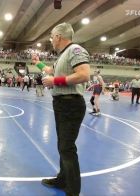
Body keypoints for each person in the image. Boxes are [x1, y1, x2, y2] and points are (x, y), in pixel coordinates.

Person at [35, 23, 90, 196]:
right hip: (62, 104)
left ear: (59, 36)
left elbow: (83, 74)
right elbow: (51, 71)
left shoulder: (75, 50)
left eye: (52, 36)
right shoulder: (62, 55)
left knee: (67, 147)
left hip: (71, 104)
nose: (51, 40)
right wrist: (39, 64)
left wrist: (55, 81)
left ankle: (73, 191)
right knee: (62, 145)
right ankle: (63, 179)